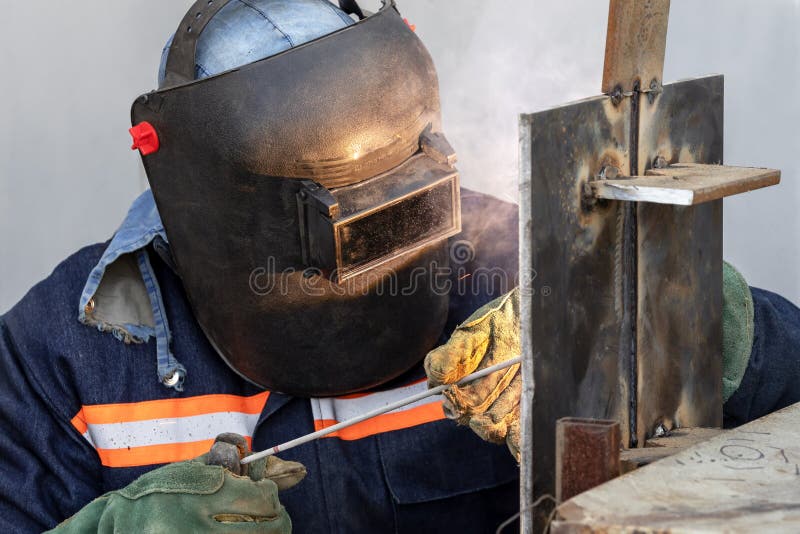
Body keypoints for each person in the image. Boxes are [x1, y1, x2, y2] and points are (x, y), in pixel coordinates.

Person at [0, 1, 797, 532]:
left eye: (398, 199)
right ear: (216, 206)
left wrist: (681, 329)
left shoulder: (516, 268)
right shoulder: (65, 355)